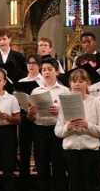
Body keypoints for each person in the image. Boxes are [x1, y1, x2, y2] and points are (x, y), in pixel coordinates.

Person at [55, 68, 100, 191]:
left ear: (88, 83)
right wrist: (68, 127)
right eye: (74, 81)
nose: (77, 84)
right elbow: (57, 132)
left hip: (90, 151)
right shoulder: (64, 103)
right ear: (70, 84)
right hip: (71, 152)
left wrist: (87, 125)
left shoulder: (96, 102)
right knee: (74, 186)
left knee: (92, 186)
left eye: (81, 81)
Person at [28, 58, 70, 191]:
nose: (46, 72)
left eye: (50, 69)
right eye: (44, 70)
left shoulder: (64, 90)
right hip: (39, 130)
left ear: (56, 71)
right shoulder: (36, 91)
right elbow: (31, 117)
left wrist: (60, 112)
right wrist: (31, 113)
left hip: (57, 130)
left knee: (59, 166)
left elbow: (70, 115)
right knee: (41, 166)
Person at [76, 54, 100, 172]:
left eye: (90, 62)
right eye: (84, 62)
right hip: (81, 113)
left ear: (95, 64)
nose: (87, 65)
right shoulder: (77, 81)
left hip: (97, 114)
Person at [13, 54, 43, 189]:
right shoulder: (22, 81)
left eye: (33, 63)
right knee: (24, 147)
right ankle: (24, 179)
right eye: (28, 63)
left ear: (39, 65)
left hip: (39, 117)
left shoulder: (43, 80)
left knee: (38, 148)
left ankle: (39, 179)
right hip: (25, 116)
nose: (30, 65)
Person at [0, 27, 27, 93]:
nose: (2, 42)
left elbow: (24, 74)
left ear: (9, 39)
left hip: (15, 90)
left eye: (4, 39)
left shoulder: (18, 56)